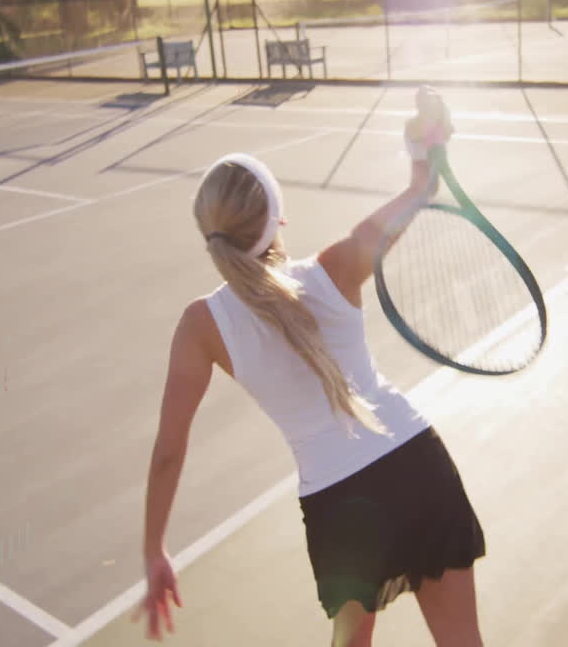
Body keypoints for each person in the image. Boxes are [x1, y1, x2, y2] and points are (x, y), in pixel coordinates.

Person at [136, 87, 486, 647]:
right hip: (418, 465)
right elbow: (422, 187)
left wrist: (154, 549)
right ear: (278, 219)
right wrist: (426, 138)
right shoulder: (336, 268)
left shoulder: (200, 325)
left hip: (339, 506)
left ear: (211, 235)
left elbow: (168, 451)